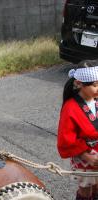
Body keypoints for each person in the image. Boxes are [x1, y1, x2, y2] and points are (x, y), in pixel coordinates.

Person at [57, 60, 98, 200]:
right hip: (84, 156)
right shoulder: (70, 108)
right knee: (85, 190)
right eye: (95, 85)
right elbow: (66, 139)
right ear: (79, 84)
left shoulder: (97, 100)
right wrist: (88, 157)